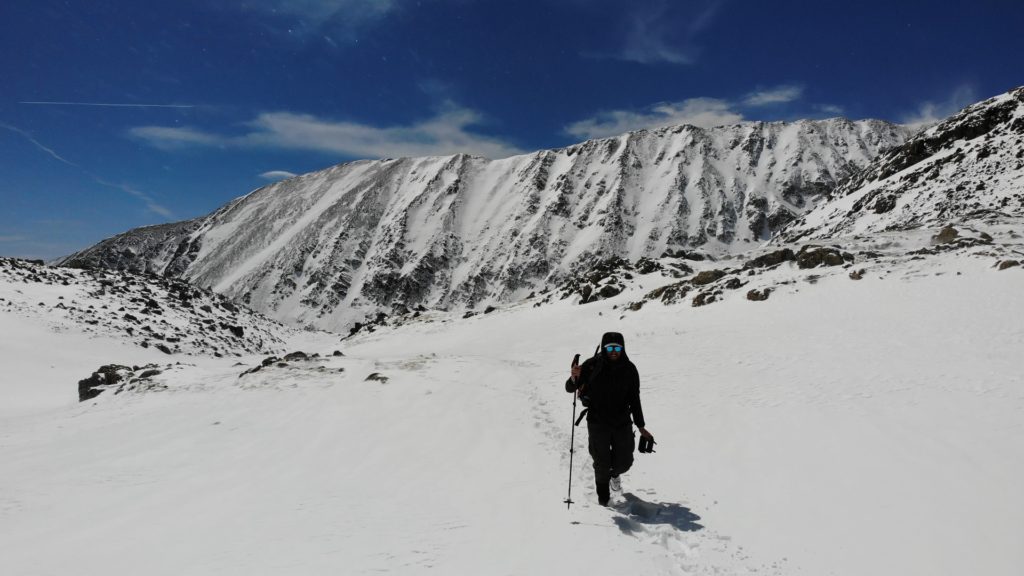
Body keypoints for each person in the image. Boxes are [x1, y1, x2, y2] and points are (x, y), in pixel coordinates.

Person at [566, 331, 653, 506]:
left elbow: (635, 399)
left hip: (622, 420)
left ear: (623, 348)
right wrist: (573, 376)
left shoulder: (630, 369)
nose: (614, 351)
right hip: (597, 420)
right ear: (604, 348)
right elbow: (570, 388)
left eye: (618, 347)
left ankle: (615, 474)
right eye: (610, 347)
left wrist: (641, 426)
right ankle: (603, 500)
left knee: (624, 462)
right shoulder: (591, 366)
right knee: (601, 462)